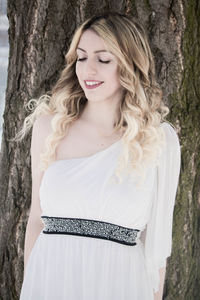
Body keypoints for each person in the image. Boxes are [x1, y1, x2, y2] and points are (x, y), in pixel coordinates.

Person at [17, 11, 181, 300]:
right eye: (81, 57)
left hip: (121, 283)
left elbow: (156, 246)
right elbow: (36, 219)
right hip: (52, 278)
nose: (87, 70)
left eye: (103, 59)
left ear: (130, 65)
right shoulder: (50, 126)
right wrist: (30, 286)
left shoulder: (158, 141)